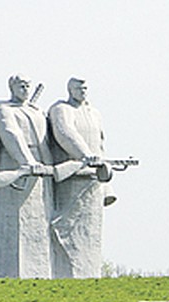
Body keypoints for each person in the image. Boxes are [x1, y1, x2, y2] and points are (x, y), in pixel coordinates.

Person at [0, 74, 54, 278]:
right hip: (14, 164)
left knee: (38, 224)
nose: (24, 89)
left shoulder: (36, 111)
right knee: (12, 225)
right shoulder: (4, 110)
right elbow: (11, 134)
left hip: (39, 167)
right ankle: (10, 273)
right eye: (20, 85)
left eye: (27, 86)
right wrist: (27, 161)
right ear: (11, 87)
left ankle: (40, 273)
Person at [48, 77, 115, 278]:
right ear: (70, 89)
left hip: (94, 179)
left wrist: (106, 183)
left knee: (91, 232)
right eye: (78, 87)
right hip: (72, 179)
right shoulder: (61, 109)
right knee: (67, 228)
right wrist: (84, 154)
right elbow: (65, 133)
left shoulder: (94, 113)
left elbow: (101, 144)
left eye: (85, 87)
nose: (83, 91)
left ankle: (89, 274)